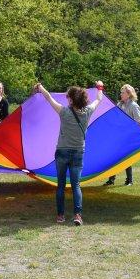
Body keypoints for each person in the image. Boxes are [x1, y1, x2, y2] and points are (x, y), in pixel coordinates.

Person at [35, 81, 104, 226]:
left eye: (68, 97)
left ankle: (60, 216)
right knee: (76, 185)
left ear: (72, 100)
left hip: (62, 152)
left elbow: (48, 98)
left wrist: (41, 87)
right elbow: (99, 99)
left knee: (60, 185)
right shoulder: (88, 112)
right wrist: (99, 87)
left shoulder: (64, 111)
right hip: (78, 152)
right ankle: (77, 215)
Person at [105, 84, 140, 186]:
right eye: (121, 92)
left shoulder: (134, 106)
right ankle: (111, 179)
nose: (121, 94)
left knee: (126, 157)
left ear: (129, 94)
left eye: (123, 92)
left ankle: (129, 180)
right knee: (114, 157)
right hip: (118, 135)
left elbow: (139, 122)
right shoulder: (119, 104)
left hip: (128, 137)